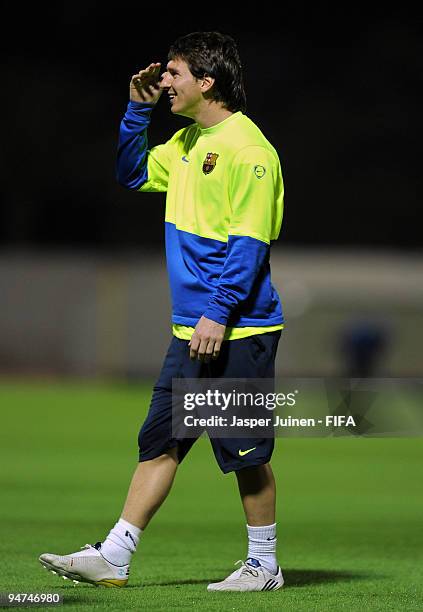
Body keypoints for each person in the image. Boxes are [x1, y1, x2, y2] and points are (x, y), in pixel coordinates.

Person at [39, 31, 285, 592]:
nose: (164, 82)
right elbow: (130, 173)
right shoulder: (187, 143)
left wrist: (219, 313)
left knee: (243, 451)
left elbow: (249, 245)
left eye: (173, 74)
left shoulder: (250, 151)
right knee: (162, 441)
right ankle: (115, 556)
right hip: (191, 329)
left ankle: (263, 564)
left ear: (207, 81)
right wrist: (135, 111)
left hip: (238, 328)